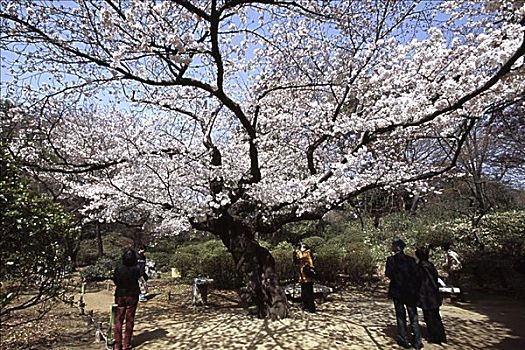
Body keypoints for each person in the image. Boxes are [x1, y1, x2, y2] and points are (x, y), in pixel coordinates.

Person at [385, 239, 423, 349]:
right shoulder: (411, 260)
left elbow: (388, 274)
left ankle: (403, 338)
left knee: (400, 315)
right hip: (410, 292)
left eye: (393, 245)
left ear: (397, 247)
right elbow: (417, 275)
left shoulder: (391, 260)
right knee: (413, 315)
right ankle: (417, 340)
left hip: (397, 292)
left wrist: (396, 278)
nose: (391, 247)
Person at [416, 247, 447, 344]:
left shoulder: (419, 267)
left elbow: (417, 281)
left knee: (429, 316)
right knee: (436, 315)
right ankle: (441, 335)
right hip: (433, 293)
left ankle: (434, 336)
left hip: (425, 294)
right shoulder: (431, 265)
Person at [112, 249, 141, 350]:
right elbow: (141, 276)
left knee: (118, 319)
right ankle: (126, 344)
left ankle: (117, 344)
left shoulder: (118, 268)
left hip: (120, 295)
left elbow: (115, 280)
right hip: (132, 295)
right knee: (129, 319)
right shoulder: (136, 268)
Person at [295, 243, 316, 313]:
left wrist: (298, 252)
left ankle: (311, 308)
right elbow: (297, 261)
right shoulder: (303, 253)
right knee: (304, 292)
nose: (300, 249)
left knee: (309, 292)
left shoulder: (307, 253)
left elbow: (301, 257)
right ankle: (305, 306)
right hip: (303, 277)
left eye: (301, 247)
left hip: (307, 277)